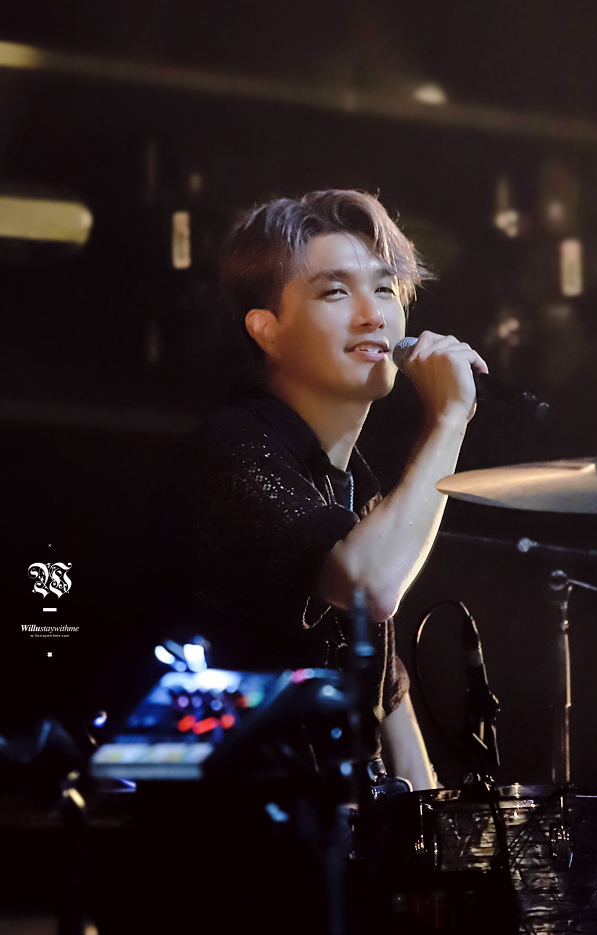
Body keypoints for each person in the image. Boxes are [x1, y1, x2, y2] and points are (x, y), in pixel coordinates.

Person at [171, 189, 486, 789]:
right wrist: (447, 420)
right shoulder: (233, 448)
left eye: (386, 289)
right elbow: (368, 586)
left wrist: (433, 821)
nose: (374, 316)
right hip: (232, 824)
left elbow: (385, 694)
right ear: (267, 330)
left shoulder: (350, 485)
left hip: (331, 826)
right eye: (336, 292)